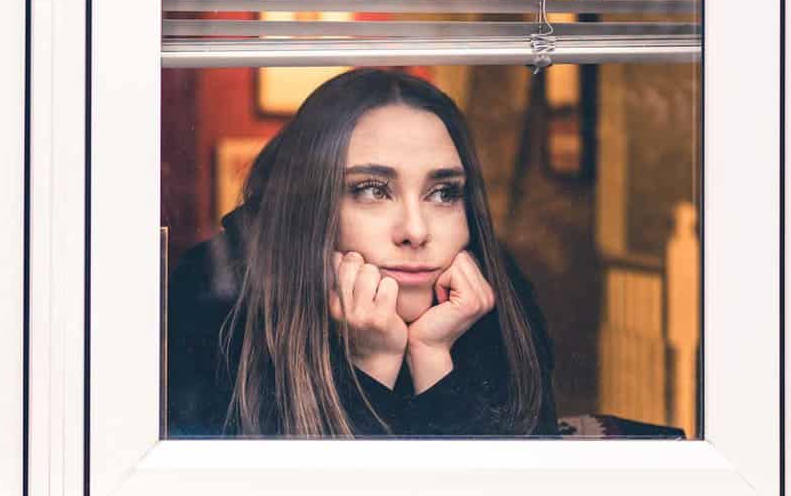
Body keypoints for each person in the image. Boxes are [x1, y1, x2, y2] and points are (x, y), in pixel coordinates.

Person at [167, 68, 558, 438]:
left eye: (443, 193)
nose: (416, 231)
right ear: (310, 207)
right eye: (372, 190)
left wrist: (433, 357)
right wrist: (373, 364)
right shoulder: (218, 304)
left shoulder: (496, 300)